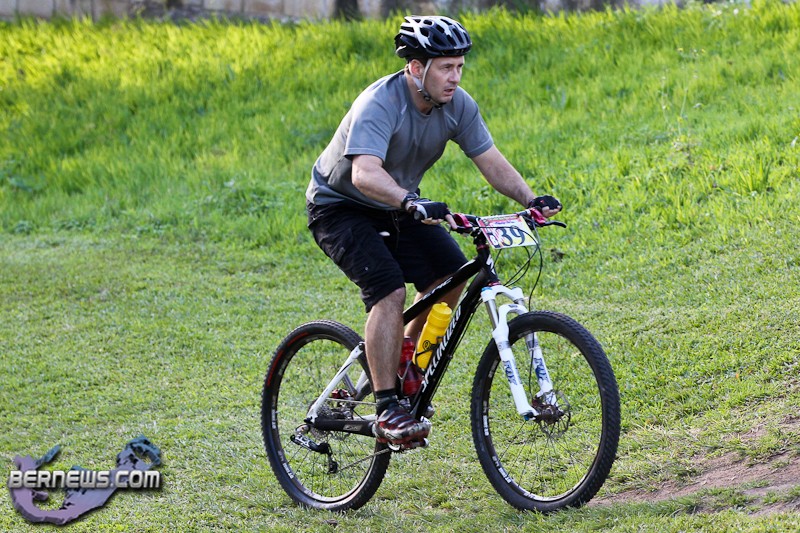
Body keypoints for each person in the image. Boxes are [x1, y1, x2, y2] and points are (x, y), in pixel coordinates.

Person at [305, 15, 562, 446]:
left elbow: (490, 160)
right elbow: (365, 174)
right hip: (341, 208)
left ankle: (405, 363)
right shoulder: (380, 103)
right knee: (389, 291)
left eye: (459, 66)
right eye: (445, 67)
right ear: (415, 68)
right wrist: (410, 201)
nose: (455, 77)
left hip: (398, 205)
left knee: (451, 275)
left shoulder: (458, 105)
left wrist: (530, 200)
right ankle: (387, 406)